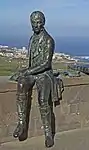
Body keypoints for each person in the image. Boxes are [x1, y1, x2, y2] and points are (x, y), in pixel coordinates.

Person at [12, 11, 56, 148]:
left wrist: (27, 71)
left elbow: (46, 64)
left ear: (43, 23)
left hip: (44, 74)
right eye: (33, 22)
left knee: (43, 100)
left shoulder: (49, 40)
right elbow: (30, 61)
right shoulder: (32, 39)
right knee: (21, 84)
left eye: (38, 22)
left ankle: (48, 134)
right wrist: (24, 72)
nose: (36, 25)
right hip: (32, 73)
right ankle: (21, 124)